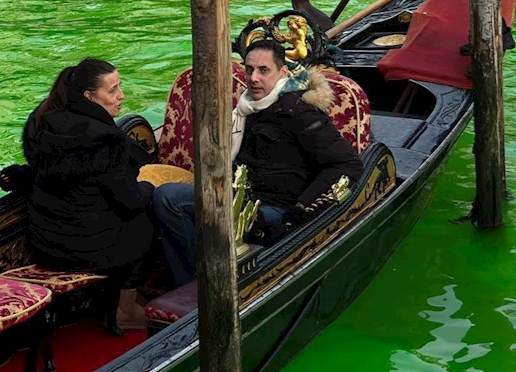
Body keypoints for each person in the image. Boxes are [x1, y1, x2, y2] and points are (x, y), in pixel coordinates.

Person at [151, 40, 363, 287]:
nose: (253, 78)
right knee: (167, 197)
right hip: (236, 197)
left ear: (282, 73)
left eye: (264, 70)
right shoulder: (244, 109)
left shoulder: (300, 112)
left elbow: (347, 165)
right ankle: (190, 286)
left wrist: (302, 208)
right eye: (249, 70)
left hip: (276, 210)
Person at [21, 58, 157, 330]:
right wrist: (151, 185)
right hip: (85, 251)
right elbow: (130, 201)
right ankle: (125, 309)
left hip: (44, 243)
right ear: (89, 96)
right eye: (113, 90)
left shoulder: (41, 121)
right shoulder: (107, 139)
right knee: (142, 222)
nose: (121, 96)